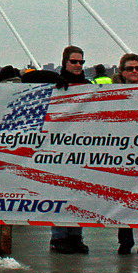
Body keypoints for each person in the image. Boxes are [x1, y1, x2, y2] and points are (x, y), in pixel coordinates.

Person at [112, 53, 138, 255]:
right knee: (124, 197)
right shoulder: (111, 92)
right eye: (130, 69)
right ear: (122, 71)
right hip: (121, 150)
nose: (134, 72)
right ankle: (125, 240)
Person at [49, 45, 91, 254]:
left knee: (78, 193)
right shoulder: (55, 85)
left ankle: (76, 236)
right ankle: (58, 237)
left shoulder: (88, 86)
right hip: (58, 148)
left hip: (81, 148)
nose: (77, 66)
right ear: (65, 62)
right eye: (73, 62)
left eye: (81, 62)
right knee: (60, 191)